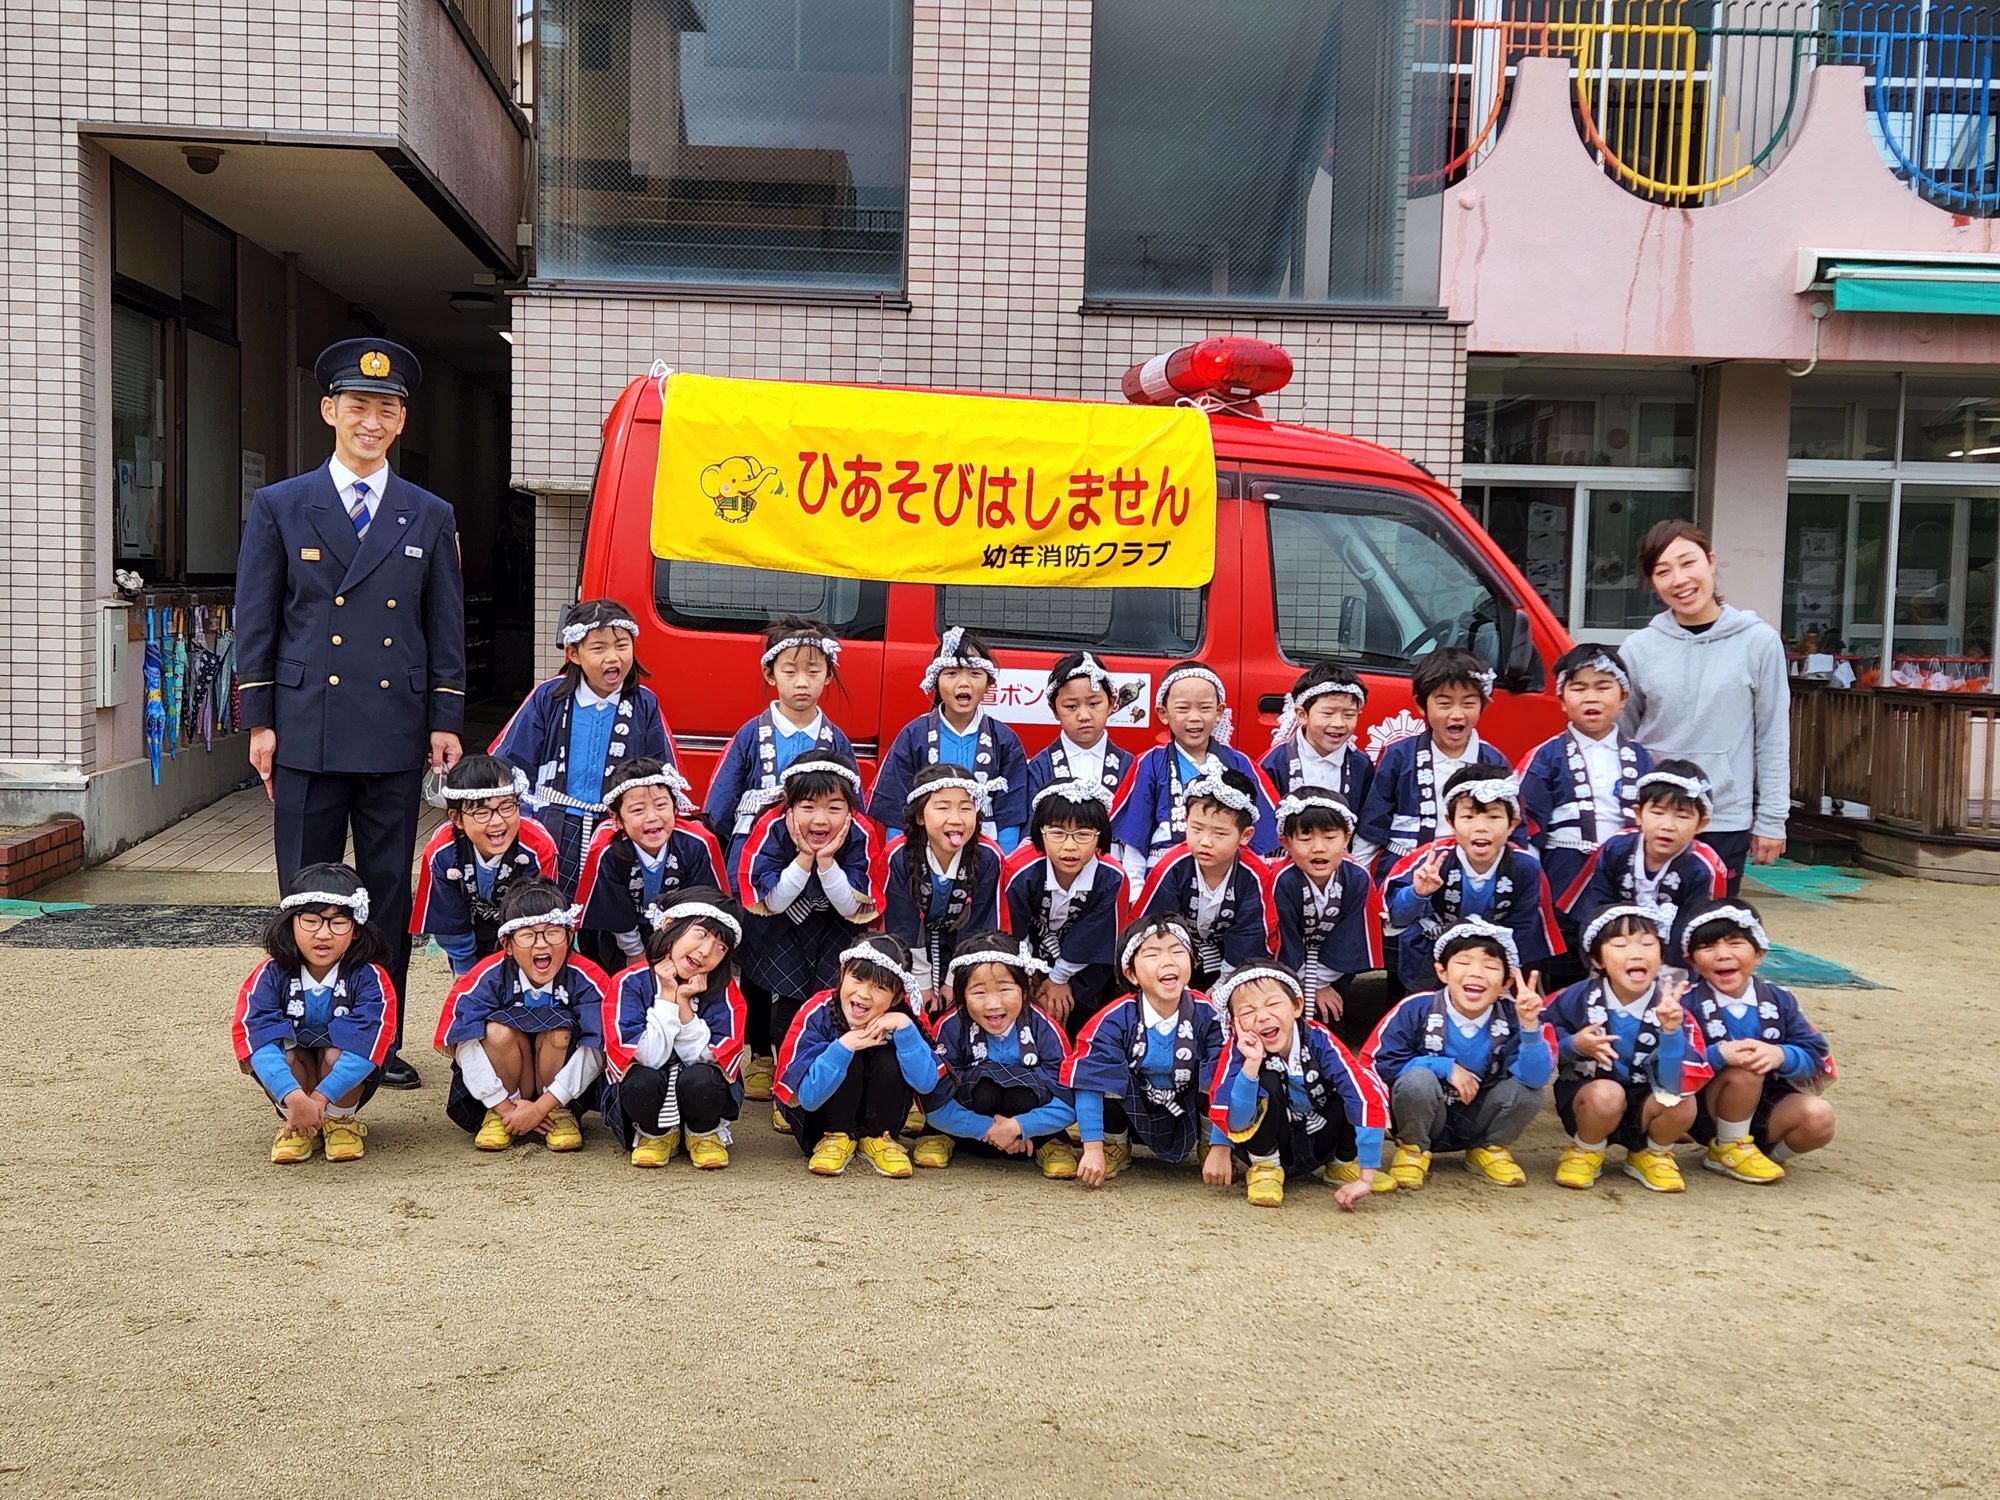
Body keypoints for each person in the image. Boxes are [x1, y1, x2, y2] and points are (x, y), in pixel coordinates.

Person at [234, 338, 465, 1089]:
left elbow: (443, 624)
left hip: (395, 726)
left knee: (388, 888)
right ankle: (298, 1039)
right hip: (307, 724)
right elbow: (257, 618)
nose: (372, 421)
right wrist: (260, 720)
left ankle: (378, 1039)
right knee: (306, 889)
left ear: (402, 421)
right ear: (329, 410)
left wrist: (445, 718)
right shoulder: (280, 505)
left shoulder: (428, 513)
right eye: (358, 406)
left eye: (386, 409)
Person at [1621, 518, 1791, 893]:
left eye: (1688, 563)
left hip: (1724, 818)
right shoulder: (1639, 648)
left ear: (1710, 562)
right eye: (1663, 571)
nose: (1679, 580)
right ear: (1653, 582)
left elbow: (1772, 735)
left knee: (1709, 924)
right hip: (1654, 819)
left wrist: (1772, 818)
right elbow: (1622, 739)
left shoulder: (1758, 642)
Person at [490, 597, 680, 893]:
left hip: (617, 826)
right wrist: (523, 816)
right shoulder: (548, 696)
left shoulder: (645, 703)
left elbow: (659, 771)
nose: (613, 657)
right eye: (599, 648)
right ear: (574, 654)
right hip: (555, 822)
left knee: (609, 905)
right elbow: (511, 762)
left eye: (621, 645)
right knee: (552, 899)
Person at [737, 751, 886, 1123]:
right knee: (785, 998)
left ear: (850, 809)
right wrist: (804, 857)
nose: (821, 819)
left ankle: (816, 1075)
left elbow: (853, 904)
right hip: (777, 920)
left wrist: (827, 861)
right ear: (788, 806)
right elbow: (771, 899)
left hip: (836, 922)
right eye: (807, 807)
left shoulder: (860, 832)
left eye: (834, 808)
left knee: (825, 998)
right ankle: (776, 1074)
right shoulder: (771, 827)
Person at [1361, 918, 1555, 1189]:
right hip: (1425, 1111)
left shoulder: (1515, 1016)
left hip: (1482, 1112)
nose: (1476, 973)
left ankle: (1489, 1148)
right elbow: (1378, 1063)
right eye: (1464, 962)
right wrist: (1443, 1066)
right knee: (1417, 1080)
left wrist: (1530, 1027)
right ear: (1442, 972)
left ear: (1507, 980)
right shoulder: (1416, 1008)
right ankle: (1413, 1150)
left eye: (1490, 966)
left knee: (1528, 1092)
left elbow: (1535, 1078)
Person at [231, 863, 396, 1163]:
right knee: (277, 1052)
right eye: (310, 921)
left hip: (339, 1075)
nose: (323, 934)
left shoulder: (370, 978)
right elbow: (257, 1038)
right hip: (296, 1074)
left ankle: (339, 1120)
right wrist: (295, 1098)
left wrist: (320, 1099)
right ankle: (296, 1122)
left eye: (338, 923)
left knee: (339, 1053)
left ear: (356, 930)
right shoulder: (269, 975)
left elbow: (368, 1043)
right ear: (290, 924)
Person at [1542, 904, 1714, 1192]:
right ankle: (1587, 1149)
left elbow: (1677, 1080)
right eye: (1620, 945)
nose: (1636, 954)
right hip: (1591, 1097)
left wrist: (1671, 1032)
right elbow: (1543, 1038)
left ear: (1661, 955)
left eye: (1647, 944)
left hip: (1649, 1098)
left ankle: (1654, 1153)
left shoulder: (1673, 1006)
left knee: (1682, 1100)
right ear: (1597, 959)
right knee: (1606, 1093)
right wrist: (1574, 1045)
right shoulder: (1575, 998)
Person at [432, 880, 612, 1153]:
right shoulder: (485, 976)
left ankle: (559, 1113)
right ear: (507, 944)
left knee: (559, 1033)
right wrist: (504, 1106)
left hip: (559, 1086)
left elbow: (597, 1048)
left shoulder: (587, 977)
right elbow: (463, 1043)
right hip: (506, 1083)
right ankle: (499, 1116)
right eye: (528, 935)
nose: (542, 944)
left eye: (553, 932)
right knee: (496, 1031)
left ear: (569, 935)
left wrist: (542, 1107)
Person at [1063, 915, 1232, 1189]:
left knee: (1218, 1073)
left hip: (1187, 1108)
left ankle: (1208, 1143)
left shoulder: (1210, 1016)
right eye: (1153, 954)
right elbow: (1088, 1082)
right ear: (1131, 974)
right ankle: (1114, 1143)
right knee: (1102, 1074)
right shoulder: (1114, 1018)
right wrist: (1092, 1148)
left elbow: (1228, 1081)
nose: (1168, 962)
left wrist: (1221, 1146)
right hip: (1135, 1110)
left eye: (1177, 951)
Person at [1515, 644, 1652, 982]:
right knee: (1562, 963)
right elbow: (1526, 822)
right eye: (1579, 688)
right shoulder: (1545, 756)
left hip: (1622, 872)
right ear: (1562, 700)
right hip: (1563, 871)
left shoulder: (1641, 757)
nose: (1591, 697)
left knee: (1620, 953)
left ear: (1623, 696)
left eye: (1603, 687)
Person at [1207, 961, 1393, 1209]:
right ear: (1234, 1024)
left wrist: (1366, 1176)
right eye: (1248, 1011)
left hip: (1319, 1137)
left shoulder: (1320, 1040)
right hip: (1269, 1142)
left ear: (1297, 1005)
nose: (1262, 1016)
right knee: (1267, 1079)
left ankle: (1342, 1163)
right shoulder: (1236, 1052)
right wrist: (1251, 1066)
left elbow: (1363, 1094)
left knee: (1353, 1084)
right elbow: (1235, 1122)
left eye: (1273, 1004)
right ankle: (1265, 1167)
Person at [1679, 898, 1837, 1184]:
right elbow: (1667, 1062)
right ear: (1692, 961)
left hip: (1769, 1103)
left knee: (1820, 1118)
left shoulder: (1780, 999)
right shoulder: (1685, 1002)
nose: (1722, 955)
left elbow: (1815, 1054)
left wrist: (1781, 1055)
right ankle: (1729, 1145)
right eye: (1708, 947)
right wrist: (1718, 1055)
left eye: (1735, 943)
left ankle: (1766, 1157)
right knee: (1745, 1065)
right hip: (1707, 1107)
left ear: (1760, 953)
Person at [598, 890, 749, 1170]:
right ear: (669, 926)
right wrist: (668, 997)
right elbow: (649, 1058)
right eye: (701, 934)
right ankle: (653, 1132)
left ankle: (703, 1131)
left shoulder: (725, 991)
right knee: (641, 1080)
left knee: (702, 1079)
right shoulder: (627, 983)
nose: (706, 951)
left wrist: (684, 1006)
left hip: (701, 1089)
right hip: (646, 1090)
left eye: (721, 947)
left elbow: (706, 1058)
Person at [1379, 766, 1562, 995]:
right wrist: (1418, 893)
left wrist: (1505, 975)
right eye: (1468, 817)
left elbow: (1524, 930)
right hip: (1431, 960)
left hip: (1495, 962)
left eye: (1494, 817)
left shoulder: (1525, 868)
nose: (1481, 827)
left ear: (1512, 824)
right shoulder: (1431, 860)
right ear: (1451, 821)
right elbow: (1397, 917)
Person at [774, 935, 945, 1178]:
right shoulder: (817, 1011)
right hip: (818, 1121)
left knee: (889, 1055)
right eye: (858, 978)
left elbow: (925, 1084)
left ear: (897, 997)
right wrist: (844, 1046)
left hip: (882, 1122)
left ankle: (878, 1138)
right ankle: (836, 1137)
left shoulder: (906, 1016)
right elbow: (808, 1099)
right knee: (848, 1053)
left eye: (880, 987)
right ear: (843, 972)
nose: (864, 994)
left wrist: (905, 1029)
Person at [911, 932, 1079, 1179]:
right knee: (983, 1087)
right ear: (961, 994)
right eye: (979, 992)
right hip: (970, 1123)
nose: (993, 1004)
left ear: (1024, 989)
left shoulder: (1044, 1026)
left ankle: (1049, 1140)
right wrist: (989, 1129)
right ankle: (941, 1135)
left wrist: (1019, 1127)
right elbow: (932, 1100)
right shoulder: (949, 1027)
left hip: (1030, 1124)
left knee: (1024, 1090)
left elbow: (1070, 1098)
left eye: (1005, 989)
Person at [704, 616, 855, 872]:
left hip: (820, 847)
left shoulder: (837, 740)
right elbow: (721, 803)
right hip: (754, 846)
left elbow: (852, 806)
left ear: (828, 674)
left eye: (813, 671)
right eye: (790, 671)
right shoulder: (750, 735)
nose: (802, 682)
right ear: (770, 674)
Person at [1111, 664, 1279, 882]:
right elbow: (1136, 836)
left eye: (1205, 708)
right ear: (1163, 713)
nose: (1194, 717)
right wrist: (1135, 889)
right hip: (1164, 871)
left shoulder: (1240, 763)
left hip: (1226, 873)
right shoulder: (1150, 763)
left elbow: (1256, 837)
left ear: (1219, 712)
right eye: (1183, 708)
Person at [867, 627, 1028, 851]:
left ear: (988, 683)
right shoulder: (915, 735)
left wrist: (1004, 859)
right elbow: (896, 806)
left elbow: (1011, 811)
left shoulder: (1004, 740)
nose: (964, 683)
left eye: (974, 674)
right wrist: (898, 855)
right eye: (952, 674)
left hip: (985, 851)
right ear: (936, 681)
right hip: (922, 849)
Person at [1356, 646, 1509, 878]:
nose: (1457, 714)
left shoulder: (1493, 761)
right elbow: (1373, 824)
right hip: (1406, 865)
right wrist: (1359, 878)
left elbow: (1511, 825)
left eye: (1468, 703)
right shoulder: (1399, 755)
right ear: (1421, 705)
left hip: (1470, 871)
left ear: (1483, 705)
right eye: (1445, 704)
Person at [1000, 781, 1128, 1038]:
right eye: (1057, 833)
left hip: (1084, 962)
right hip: (1028, 951)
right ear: (1040, 833)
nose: (1070, 846)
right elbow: (1012, 928)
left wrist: (1059, 979)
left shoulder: (1112, 877)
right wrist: (1030, 974)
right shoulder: (1018, 870)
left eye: (1083, 834)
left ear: (1100, 836)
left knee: (1082, 995)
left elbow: (1096, 935)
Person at [410, 755, 558, 974]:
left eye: (507, 807)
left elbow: (543, 917)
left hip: (527, 941)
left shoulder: (538, 847)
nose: (497, 821)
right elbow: (448, 918)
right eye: (482, 812)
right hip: (471, 929)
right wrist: (464, 970)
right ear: (456, 818)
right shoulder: (442, 852)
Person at [1134, 769, 1275, 994]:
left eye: (1219, 834)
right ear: (1186, 821)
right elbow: (1153, 925)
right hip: (1174, 959)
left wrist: (1224, 984)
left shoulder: (1254, 875)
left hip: (1232, 965)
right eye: (1197, 829)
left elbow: (1251, 934)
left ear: (1245, 835)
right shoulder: (1171, 867)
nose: (1205, 842)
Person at [573, 758, 726, 963]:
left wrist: (679, 949)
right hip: (623, 935)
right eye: (638, 810)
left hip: (682, 931)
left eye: (661, 805)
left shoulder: (697, 843)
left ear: (675, 807)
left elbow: (705, 903)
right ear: (616, 818)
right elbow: (613, 910)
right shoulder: (607, 850)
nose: (652, 817)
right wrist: (634, 951)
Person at [882, 763, 1006, 1012]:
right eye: (942, 807)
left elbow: (979, 925)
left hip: (962, 946)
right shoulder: (898, 855)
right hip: (908, 948)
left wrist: (954, 980)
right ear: (920, 816)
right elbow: (903, 924)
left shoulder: (988, 857)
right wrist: (922, 981)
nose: (956, 819)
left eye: (966, 808)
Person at [1558, 761, 1728, 939]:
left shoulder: (1704, 869)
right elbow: (1595, 907)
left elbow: (1698, 930)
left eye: (1682, 816)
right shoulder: (1616, 848)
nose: (1667, 826)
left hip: (1675, 952)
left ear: (1701, 824)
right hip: (1616, 945)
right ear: (1638, 814)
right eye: (1657, 812)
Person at [1268, 787, 1380, 1026]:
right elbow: (1281, 939)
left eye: (1330, 838)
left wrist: (1321, 982)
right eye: (1305, 839)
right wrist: (1306, 983)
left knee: (1331, 1015)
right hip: (1285, 968)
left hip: (1334, 969)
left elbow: (1352, 936)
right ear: (1285, 842)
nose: (1319, 847)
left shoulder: (1357, 877)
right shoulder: (1281, 880)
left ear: (1346, 837)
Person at [1261, 663, 1374, 811]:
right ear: (1302, 715)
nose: (1339, 723)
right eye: (1328, 713)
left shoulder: (1362, 765)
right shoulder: (1275, 762)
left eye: (1349, 715)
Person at [1024, 652, 1134, 803]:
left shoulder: (1130, 766)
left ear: (1111, 703)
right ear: (1054, 710)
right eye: (1071, 706)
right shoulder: (1040, 767)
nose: (1084, 716)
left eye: (1093, 704)